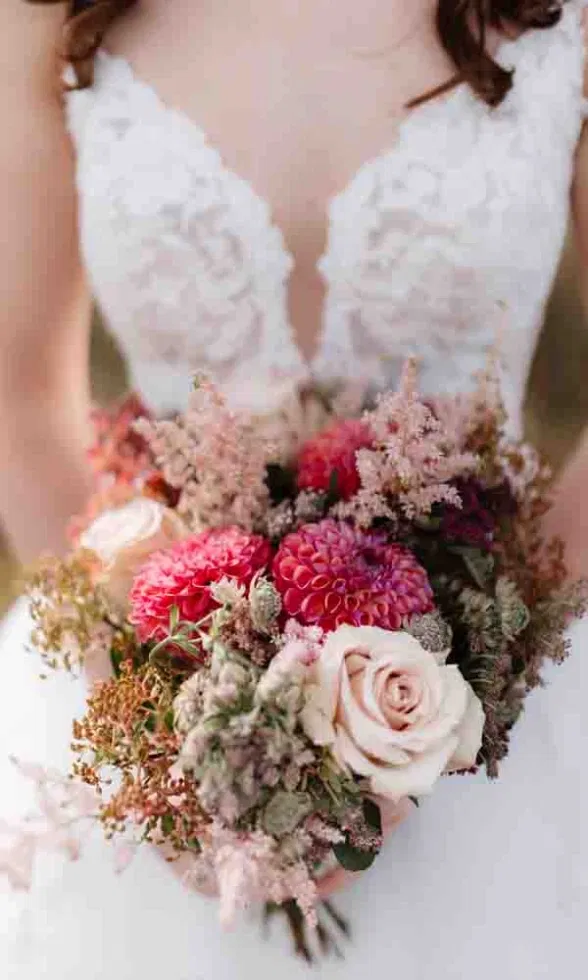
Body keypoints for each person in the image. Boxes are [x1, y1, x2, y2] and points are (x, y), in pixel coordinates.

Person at [1, 1, 587, 976]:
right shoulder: (48, 10)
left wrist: (471, 683)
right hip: (144, 687)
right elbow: (16, 393)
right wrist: (162, 717)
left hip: (514, 719)